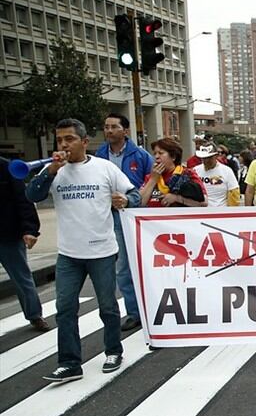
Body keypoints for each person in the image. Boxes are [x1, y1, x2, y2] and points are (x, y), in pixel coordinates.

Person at [26, 118, 142, 382]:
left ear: (84, 142)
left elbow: (134, 194)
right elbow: (32, 195)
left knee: (108, 307)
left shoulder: (104, 168)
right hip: (68, 254)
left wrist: (125, 200)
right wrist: (51, 171)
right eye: (60, 140)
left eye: (70, 139)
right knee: (65, 308)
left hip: (101, 250)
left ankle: (113, 351)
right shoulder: (54, 171)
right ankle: (69, 363)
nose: (64, 145)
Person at [95, 113, 153, 331]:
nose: (109, 131)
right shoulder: (100, 155)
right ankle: (133, 311)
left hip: (132, 216)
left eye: (114, 127)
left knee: (135, 264)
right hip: (106, 215)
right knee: (121, 268)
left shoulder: (140, 155)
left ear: (125, 131)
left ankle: (145, 308)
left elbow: (150, 185)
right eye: (106, 126)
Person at [0, 157, 48, 331]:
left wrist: (30, 229)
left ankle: (35, 315)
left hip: (8, 235)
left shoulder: (7, 168)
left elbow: (24, 199)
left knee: (22, 278)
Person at [140, 138, 207, 208]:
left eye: (160, 153)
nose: (156, 157)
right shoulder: (151, 176)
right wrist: (153, 180)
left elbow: (204, 202)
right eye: (155, 154)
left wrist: (177, 198)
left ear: (173, 157)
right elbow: (139, 203)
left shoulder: (187, 174)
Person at [194, 141, 241, 207]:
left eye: (209, 158)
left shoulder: (227, 171)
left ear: (216, 156)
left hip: (220, 213)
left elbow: (234, 193)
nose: (206, 161)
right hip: (201, 212)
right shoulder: (195, 171)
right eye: (203, 158)